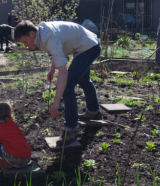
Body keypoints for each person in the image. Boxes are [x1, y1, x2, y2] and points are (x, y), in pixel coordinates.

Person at [14, 19, 101, 148]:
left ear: (32, 34)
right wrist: (52, 68)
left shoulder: (48, 36)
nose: (25, 46)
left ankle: (70, 131)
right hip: (84, 45)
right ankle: (93, 111)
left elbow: (64, 73)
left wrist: (56, 102)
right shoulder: (42, 34)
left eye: (25, 42)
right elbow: (57, 51)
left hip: (89, 47)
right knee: (83, 80)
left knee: (67, 86)